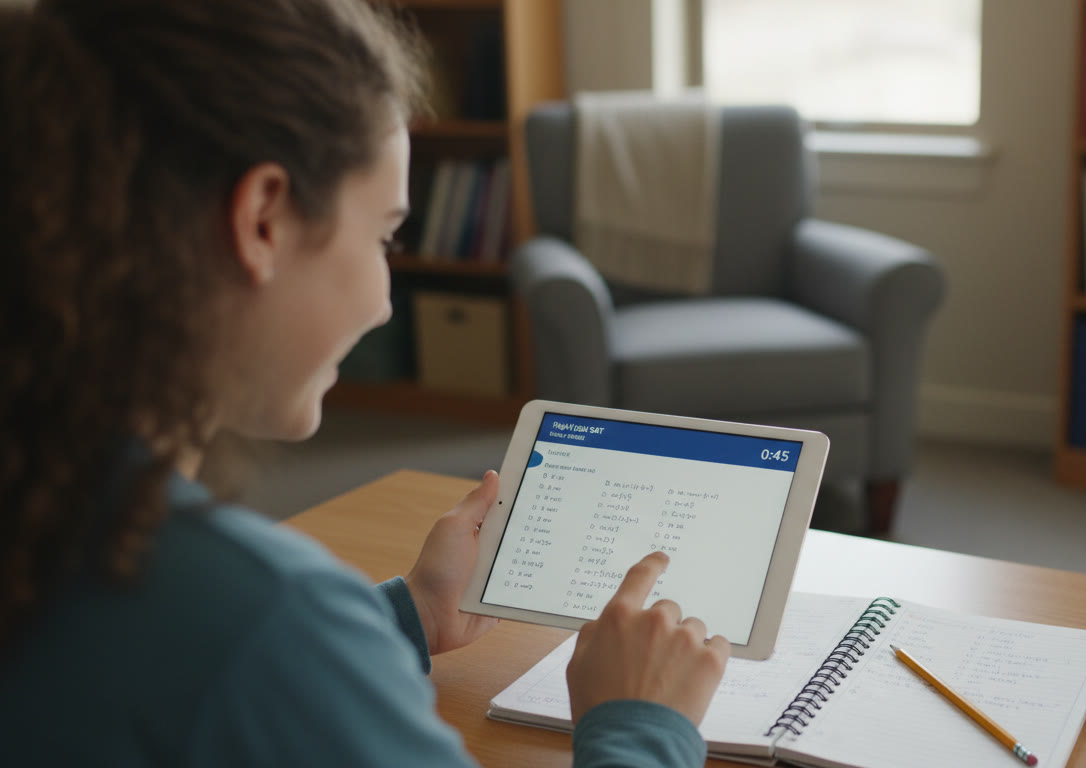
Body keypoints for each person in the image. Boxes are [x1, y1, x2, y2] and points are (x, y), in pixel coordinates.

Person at [0, 1, 729, 765]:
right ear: (263, 220)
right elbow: (242, 652)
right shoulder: (263, 614)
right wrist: (642, 723)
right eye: (384, 235)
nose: (385, 302)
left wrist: (404, 614)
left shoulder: (53, 515)